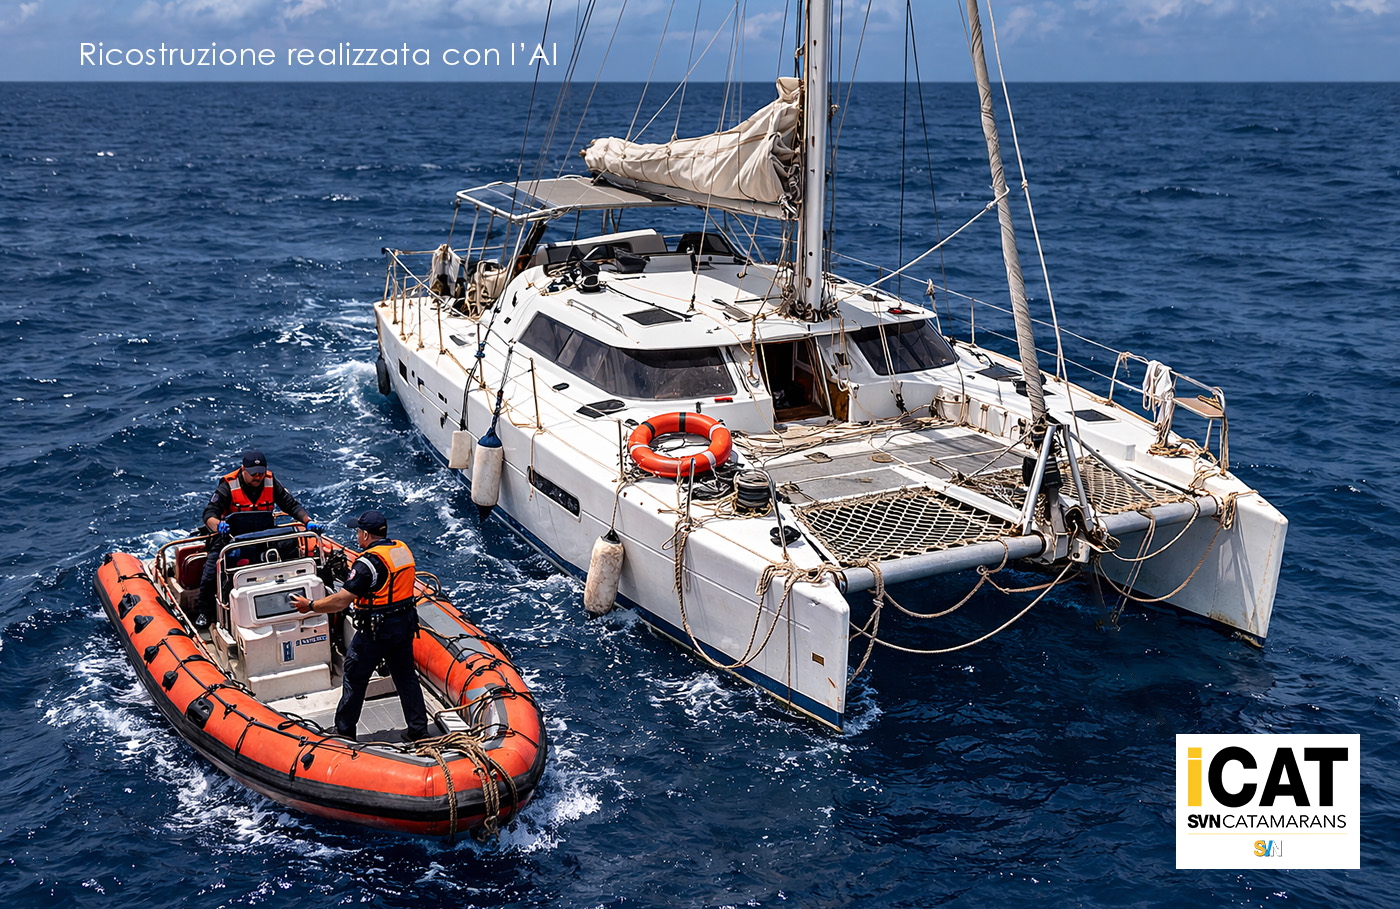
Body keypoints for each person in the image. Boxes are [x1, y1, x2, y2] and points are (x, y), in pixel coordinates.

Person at [290, 510, 428, 743]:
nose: (356, 535)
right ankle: (418, 729)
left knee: (354, 676)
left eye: (357, 531)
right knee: (405, 677)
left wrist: (310, 605)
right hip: (404, 624)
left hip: (376, 630)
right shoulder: (401, 549)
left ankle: (344, 731)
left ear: (365, 534)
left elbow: (341, 601)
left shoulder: (367, 563)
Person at [197, 449, 317, 626]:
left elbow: (290, 504)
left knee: (292, 558)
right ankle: (205, 613)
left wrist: (308, 521)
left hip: (264, 536)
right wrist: (218, 525)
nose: (258, 478)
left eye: (260, 474)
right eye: (253, 474)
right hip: (232, 538)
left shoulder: (270, 481)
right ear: (243, 470)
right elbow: (209, 513)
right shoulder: (228, 485)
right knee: (210, 574)